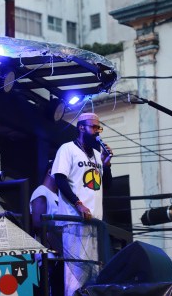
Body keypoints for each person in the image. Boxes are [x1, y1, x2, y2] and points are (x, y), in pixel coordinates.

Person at [51, 112, 113, 296]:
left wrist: (107, 166)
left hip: (95, 223)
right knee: (76, 276)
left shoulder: (97, 155)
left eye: (98, 128)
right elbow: (60, 180)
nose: (97, 132)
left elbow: (107, 186)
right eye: (93, 127)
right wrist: (78, 204)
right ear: (80, 127)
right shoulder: (67, 149)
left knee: (94, 275)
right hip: (75, 221)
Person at [30, 159, 63, 295]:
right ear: (50, 172)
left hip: (57, 256)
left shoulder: (57, 196)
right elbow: (38, 222)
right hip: (46, 257)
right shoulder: (41, 192)